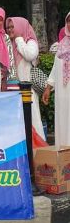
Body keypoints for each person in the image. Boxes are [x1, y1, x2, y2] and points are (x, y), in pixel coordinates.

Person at [6, 16, 45, 140]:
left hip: (28, 89)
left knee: (32, 118)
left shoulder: (29, 41)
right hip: (13, 89)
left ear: (20, 27)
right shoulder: (9, 44)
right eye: (8, 27)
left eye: (13, 27)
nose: (10, 30)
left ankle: (36, 147)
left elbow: (30, 55)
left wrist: (19, 39)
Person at [42, 12, 70, 146]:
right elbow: (55, 68)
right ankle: (64, 154)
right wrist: (48, 88)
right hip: (62, 93)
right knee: (63, 120)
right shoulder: (62, 45)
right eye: (69, 21)